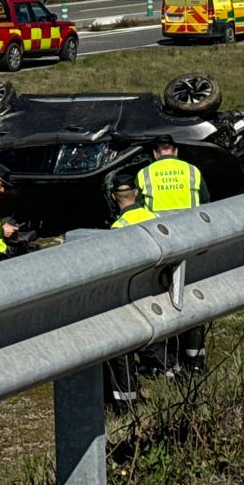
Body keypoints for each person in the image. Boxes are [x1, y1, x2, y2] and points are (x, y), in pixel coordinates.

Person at [103, 174, 157, 407]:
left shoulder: (118, 228)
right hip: (156, 287)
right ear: (136, 193)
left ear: (115, 198)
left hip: (131, 292)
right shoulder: (152, 217)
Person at [136, 135, 209, 211]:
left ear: (155, 153)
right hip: (190, 220)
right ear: (176, 151)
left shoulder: (144, 173)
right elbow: (205, 200)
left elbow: (138, 206)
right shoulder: (192, 170)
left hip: (157, 222)